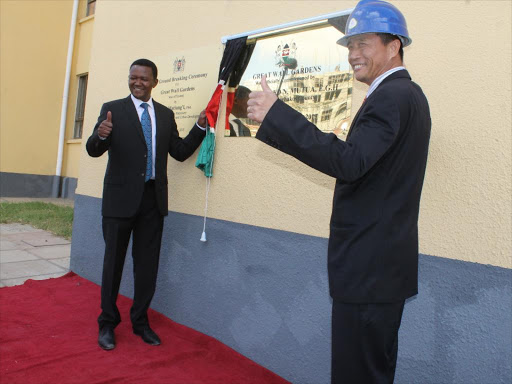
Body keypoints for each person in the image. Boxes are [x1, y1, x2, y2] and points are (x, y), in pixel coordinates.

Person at [247, 1, 431, 383]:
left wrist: (279, 115)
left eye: (362, 43)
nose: (353, 54)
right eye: (349, 45)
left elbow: (348, 162)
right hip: (378, 271)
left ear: (394, 46)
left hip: (369, 271)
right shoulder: (404, 95)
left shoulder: (392, 97)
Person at [86, 58, 207, 351]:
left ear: (155, 82)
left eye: (143, 78)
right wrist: (99, 136)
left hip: (152, 202)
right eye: (133, 77)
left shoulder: (165, 115)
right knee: (112, 265)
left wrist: (200, 127)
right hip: (118, 203)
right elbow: (93, 150)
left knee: (147, 267)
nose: (137, 82)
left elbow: (178, 152)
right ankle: (107, 323)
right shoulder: (112, 109)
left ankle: (140, 322)